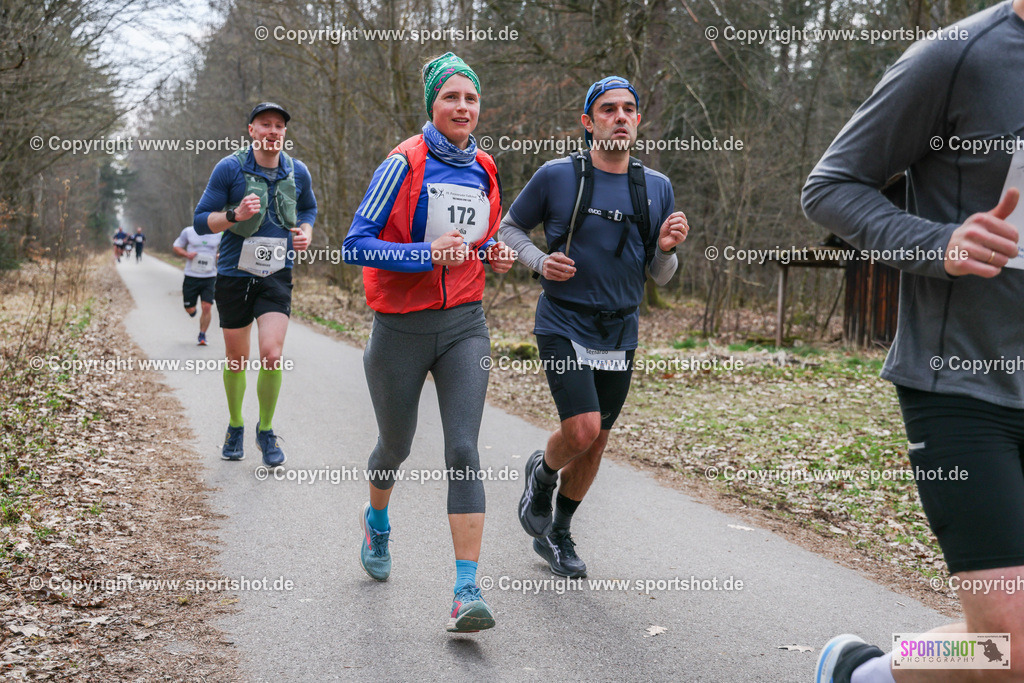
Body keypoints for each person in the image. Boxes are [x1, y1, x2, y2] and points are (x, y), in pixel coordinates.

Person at [802, 3, 1024, 682]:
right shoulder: (959, 56)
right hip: (962, 388)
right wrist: (941, 243)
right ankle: (868, 675)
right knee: (1009, 646)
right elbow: (830, 187)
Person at [343, 52, 515, 633]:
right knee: (396, 446)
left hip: (465, 324)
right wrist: (421, 254)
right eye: (451, 97)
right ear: (432, 105)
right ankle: (376, 519)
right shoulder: (402, 163)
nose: (462, 107)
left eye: (470, 98)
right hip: (400, 329)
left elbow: (480, 239)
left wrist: (497, 253)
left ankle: (466, 589)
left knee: (463, 450)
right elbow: (355, 244)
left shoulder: (486, 168)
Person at [499, 76, 689, 578]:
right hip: (563, 319)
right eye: (608, 109)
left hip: (621, 330)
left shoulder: (656, 188)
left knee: (598, 438)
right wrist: (539, 261)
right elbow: (508, 228)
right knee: (581, 429)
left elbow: (661, 276)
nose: (620, 117)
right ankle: (541, 475)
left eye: (629, 109)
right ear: (588, 122)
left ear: (638, 122)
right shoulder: (557, 177)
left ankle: (559, 531)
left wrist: (668, 249)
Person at [193, 102, 317, 466]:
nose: (273, 131)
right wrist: (234, 215)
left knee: (272, 354)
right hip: (233, 273)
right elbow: (201, 221)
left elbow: (308, 209)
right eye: (265, 124)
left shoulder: (298, 171)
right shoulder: (230, 168)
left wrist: (306, 233)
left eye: (279, 126)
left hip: (276, 274)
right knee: (236, 360)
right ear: (251, 131)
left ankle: (266, 431)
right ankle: (235, 426)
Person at [172, 225, 222, 346]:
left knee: (207, 307)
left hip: (209, 276)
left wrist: (220, 255)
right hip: (191, 276)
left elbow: (228, 248)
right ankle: (192, 311)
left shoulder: (219, 233)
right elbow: (176, 247)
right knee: (189, 308)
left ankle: (202, 335)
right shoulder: (188, 231)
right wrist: (186, 254)